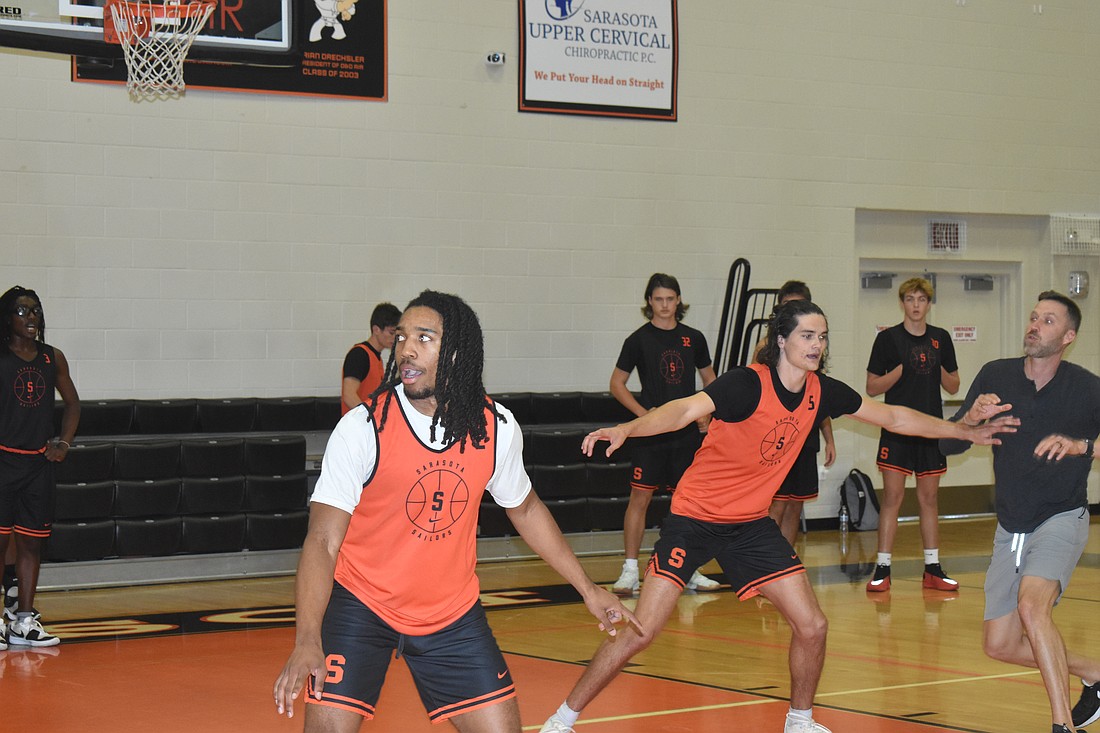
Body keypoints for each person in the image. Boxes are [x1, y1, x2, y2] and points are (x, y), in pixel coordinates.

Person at [539, 299, 1016, 733]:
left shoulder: (821, 391)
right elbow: (683, 409)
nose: (817, 344)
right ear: (781, 341)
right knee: (642, 632)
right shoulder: (746, 384)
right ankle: (562, 720)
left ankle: (799, 721)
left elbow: (894, 418)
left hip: (750, 524)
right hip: (695, 517)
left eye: (823, 336)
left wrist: (959, 429)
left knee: (813, 626)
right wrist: (628, 428)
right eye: (807, 335)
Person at [274, 290, 639, 732]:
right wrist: (308, 638)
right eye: (404, 336)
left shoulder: (496, 427)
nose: (407, 348)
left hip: (451, 614)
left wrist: (588, 588)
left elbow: (524, 509)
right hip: (362, 605)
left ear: (458, 352)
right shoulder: (363, 427)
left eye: (425, 337)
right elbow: (323, 540)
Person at [940, 291, 1100, 733]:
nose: (1035, 325)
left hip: (1063, 517)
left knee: (1033, 609)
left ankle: (1062, 726)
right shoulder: (997, 375)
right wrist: (970, 419)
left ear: (1068, 336)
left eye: (1048, 321)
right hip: (1011, 525)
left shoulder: (1088, 388)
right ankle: (1095, 671)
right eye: (1033, 317)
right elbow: (949, 443)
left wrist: (1081, 446)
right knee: (1000, 645)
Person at [609, 273, 719, 596]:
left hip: (685, 435)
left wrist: (706, 413)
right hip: (650, 436)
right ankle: (630, 570)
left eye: (671, 299)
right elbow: (616, 383)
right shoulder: (638, 340)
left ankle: (689, 567)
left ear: (679, 301)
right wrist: (644, 416)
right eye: (659, 299)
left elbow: (711, 380)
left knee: (686, 503)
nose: (665, 305)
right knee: (639, 498)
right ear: (649, 302)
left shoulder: (694, 338)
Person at [865, 277, 961, 593]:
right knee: (892, 498)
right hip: (897, 430)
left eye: (922, 299)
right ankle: (882, 568)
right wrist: (901, 370)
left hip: (930, 429)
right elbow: (872, 387)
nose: (916, 305)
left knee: (929, 499)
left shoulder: (941, 339)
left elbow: (954, 385)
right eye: (910, 299)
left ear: (929, 304)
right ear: (902, 302)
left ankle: (933, 567)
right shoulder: (888, 340)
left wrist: (937, 367)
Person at [0, 286, 80, 649]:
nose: (30, 318)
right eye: (21, 311)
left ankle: (23, 622)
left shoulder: (52, 358)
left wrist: (63, 442)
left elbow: (74, 404)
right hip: (3, 460)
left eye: (35, 311)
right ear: (6, 317)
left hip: (37, 464)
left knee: (32, 545)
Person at [756, 281, 836, 546]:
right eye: (787, 306)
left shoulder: (812, 349)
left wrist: (829, 438)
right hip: (777, 434)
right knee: (775, 505)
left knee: (795, 505)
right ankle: (768, 563)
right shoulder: (765, 347)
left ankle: (786, 563)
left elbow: (819, 395)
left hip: (804, 434)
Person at [340, 302, 401, 415]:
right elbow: (349, 396)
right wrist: (369, 417)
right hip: (356, 426)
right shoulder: (359, 354)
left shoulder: (376, 358)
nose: (394, 338)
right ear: (376, 330)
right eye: (391, 332)